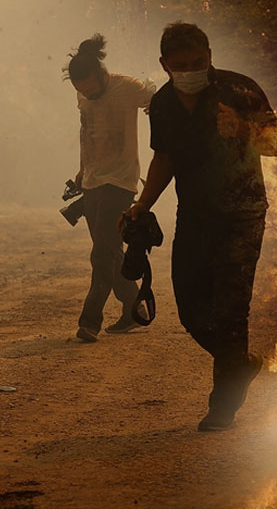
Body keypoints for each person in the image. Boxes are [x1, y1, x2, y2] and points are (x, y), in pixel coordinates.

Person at [121, 22, 277, 431]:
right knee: (191, 311)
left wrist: (242, 130)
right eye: (182, 64)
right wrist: (142, 205)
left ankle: (222, 408)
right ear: (165, 64)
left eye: (199, 62)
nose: (192, 69)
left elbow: (274, 145)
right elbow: (165, 159)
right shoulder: (162, 104)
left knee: (230, 312)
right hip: (194, 215)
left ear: (210, 56)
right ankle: (240, 363)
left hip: (242, 214)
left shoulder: (240, 90)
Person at [65, 33, 156, 342]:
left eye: (90, 88)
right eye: (81, 90)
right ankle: (134, 311)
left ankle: (89, 321)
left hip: (120, 182)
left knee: (102, 254)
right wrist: (82, 169)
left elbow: (155, 97)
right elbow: (86, 132)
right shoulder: (84, 95)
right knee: (110, 251)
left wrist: (153, 102)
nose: (86, 94)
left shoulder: (127, 88)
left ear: (101, 74)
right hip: (91, 182)